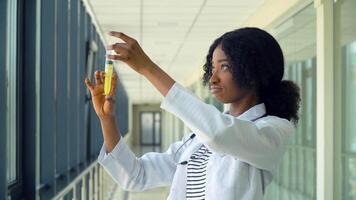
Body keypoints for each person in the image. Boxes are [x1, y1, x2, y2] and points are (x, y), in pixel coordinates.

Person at [84, 27, 300, 200]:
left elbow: (220, 134)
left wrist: (148, 68)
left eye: (224, 67)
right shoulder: (197, 140)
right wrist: (107, 119)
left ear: (254, 73)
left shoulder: (272, 130)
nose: (213, 78)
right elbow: (137, 175)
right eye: (211, 68)